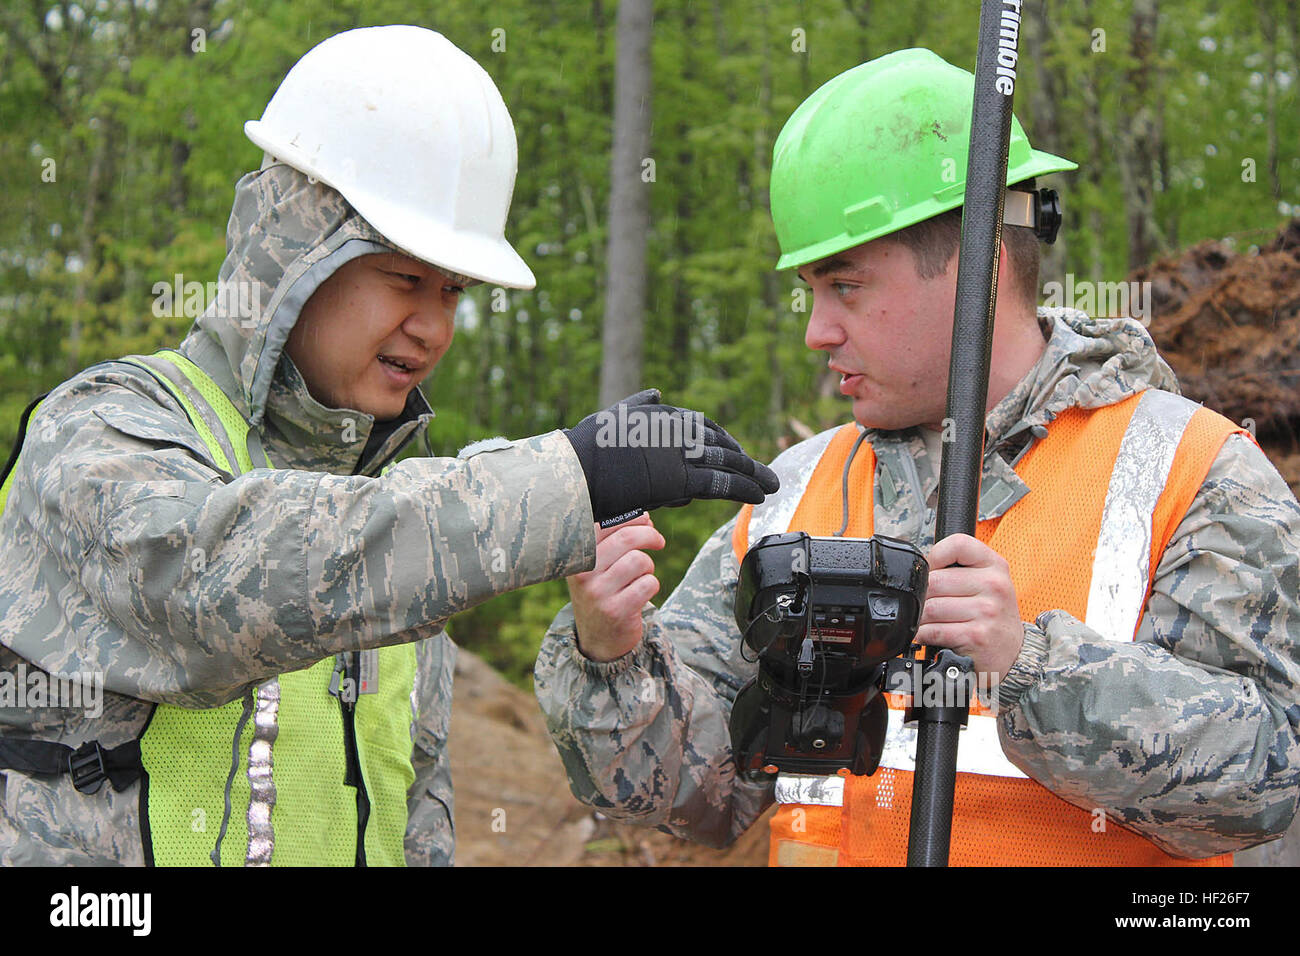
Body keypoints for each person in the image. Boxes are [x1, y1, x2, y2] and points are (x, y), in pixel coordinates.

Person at [0, 25, 776, 866]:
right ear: (293, 254)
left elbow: (416, 815)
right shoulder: (100, 428)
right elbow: (218, 584)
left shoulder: (400, 549)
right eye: (404, 279)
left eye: (452, 291)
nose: (434, 326)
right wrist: (568, 480)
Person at [534, 48, 1300, 866]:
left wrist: (1031, 669)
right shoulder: (795, 491)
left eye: (846, 287)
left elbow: (1267, 781)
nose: (816, 330)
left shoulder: (1195, 472)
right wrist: (609, 654)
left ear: (979, 266)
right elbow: (703, 793)